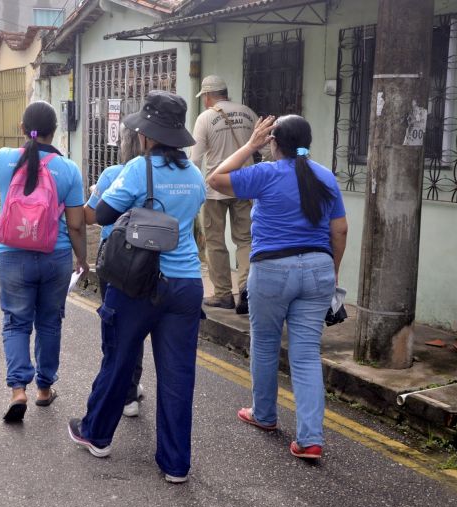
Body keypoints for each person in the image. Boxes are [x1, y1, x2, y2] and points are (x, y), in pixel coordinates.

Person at [68, 91, 206, 484]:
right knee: (178, 374)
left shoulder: (137, 169)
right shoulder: (194, 175)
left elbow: (98, 216)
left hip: (138, 283)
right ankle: (176, 464)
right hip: (186, 285)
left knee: (120, 359)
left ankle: (97, 434)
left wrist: (88, 195)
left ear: (147, 135)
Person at [207, 114, 348, 460]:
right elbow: (340, 231)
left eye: (268, 142)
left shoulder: (265, 173)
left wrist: (249, 145)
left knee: (266, 343)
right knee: (305, 355)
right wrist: (332, 272)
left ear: (274, 142)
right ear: (308, 142)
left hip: (271, 269)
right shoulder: (326, 177)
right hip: (318, 269)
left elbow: (215, 178)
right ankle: (310, 439)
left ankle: (264, 414)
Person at [0, 101, 88, 423]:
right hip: (54, 256)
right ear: (54, 131)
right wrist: (82, 259)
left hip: (12, 255)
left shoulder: (2, 158)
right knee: (49, 321)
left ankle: (18, 390)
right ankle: (44, 388)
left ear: (21, 127)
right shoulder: (68, 169)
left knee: (15, 321)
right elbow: (76, 224)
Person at [84, 125, 145, 418]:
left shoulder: (112, 174)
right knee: (136, 324)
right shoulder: (156, 174)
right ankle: (132, 387)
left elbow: (92, 215)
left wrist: (93, 195)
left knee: (113, 324)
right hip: (148, 258)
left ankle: (122, 393)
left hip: (115, 255)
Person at [191, 75, 262, 313]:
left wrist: (193, 188)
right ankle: (246, 289)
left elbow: (196, 159)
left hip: (215, 188)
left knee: (215, 241)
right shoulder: (248, 113)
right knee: (246, 240)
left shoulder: (206, 118)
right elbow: (265, 148)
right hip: (245, 186)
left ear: (209, 96)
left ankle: (222, 294)